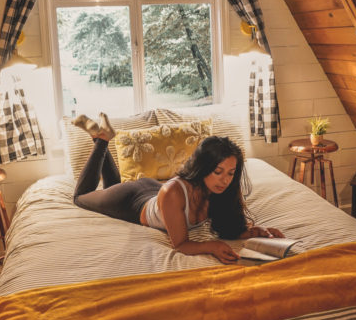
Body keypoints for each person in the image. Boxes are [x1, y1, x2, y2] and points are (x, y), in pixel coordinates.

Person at [72, 113, 283, 264]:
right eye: (218, 171)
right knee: (81, 197)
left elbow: (228, 226)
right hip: (132, 201)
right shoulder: (174, 192)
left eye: (230, 172)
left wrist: (252, 231)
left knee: (111, 186)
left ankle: (103, 137)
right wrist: (212, 246)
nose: (225, 180)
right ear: (204, 167)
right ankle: (100, 141)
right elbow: (181, 244)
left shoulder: (222, 189)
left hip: (156, 192)